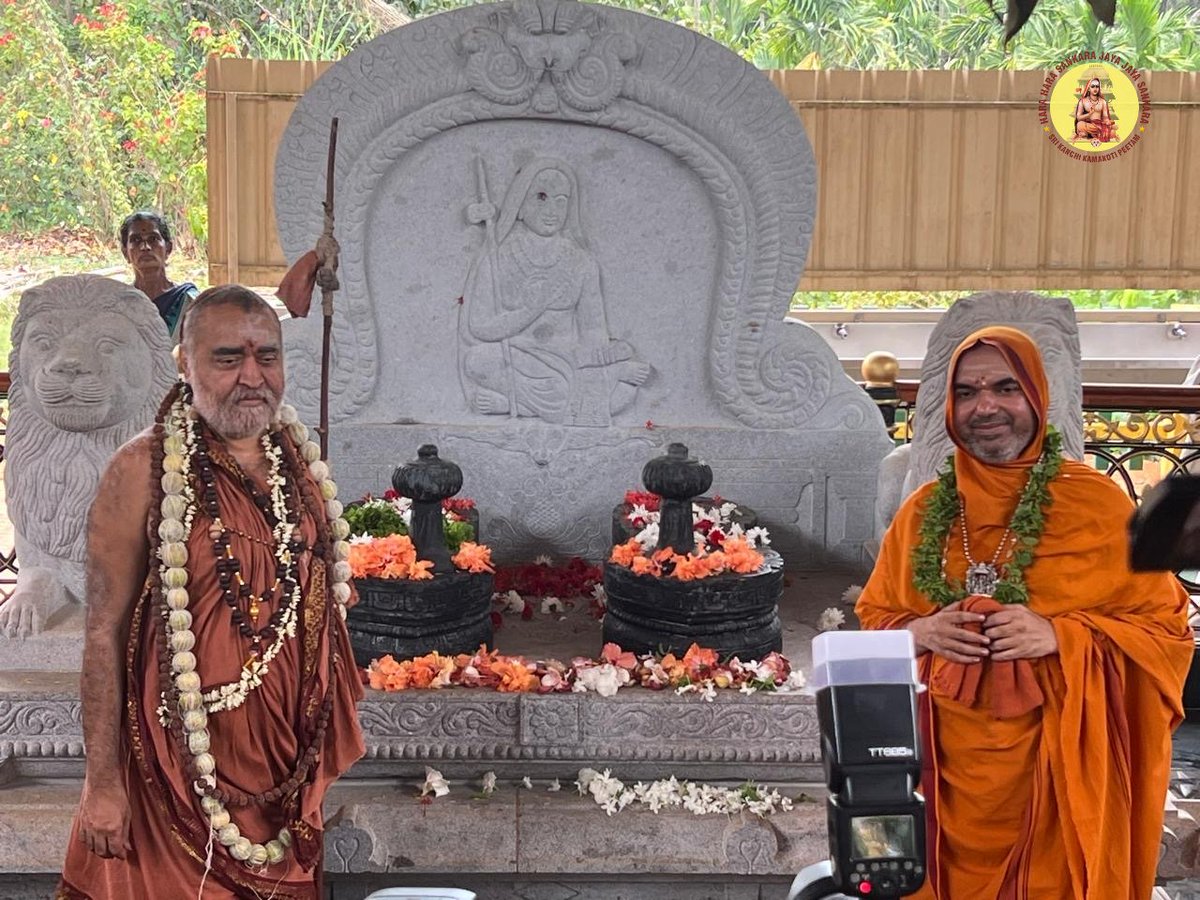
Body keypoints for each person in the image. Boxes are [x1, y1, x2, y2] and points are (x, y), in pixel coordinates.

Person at [856, 325, 1192, 899]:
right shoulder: (922, 512)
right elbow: (875, 620)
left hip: (1059, 776)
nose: (985, 406)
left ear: (1036, 396)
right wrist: (921, 630)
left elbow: (1166, 632)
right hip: (937, 778)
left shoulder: (1098, 505)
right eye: (967, 392)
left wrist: (1062, 636)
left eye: (1005, 388)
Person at [58, 285, 365, 899]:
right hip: (169, 769)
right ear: (185, 362)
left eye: (267, 356)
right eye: (228, 358)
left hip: (283, 767)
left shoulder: (298, 465)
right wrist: (103, 783)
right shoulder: (141, 470)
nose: (252, 376)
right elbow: (103, 632)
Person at [459, 158, 649, 427]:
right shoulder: (498, 258)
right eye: (541, 197)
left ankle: (514, 404)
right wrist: (530, 311)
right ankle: (528, 404)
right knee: (477, 361)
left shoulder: (581, 263)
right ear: (520, 206)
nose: (552, 210)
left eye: (561, 201)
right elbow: (479, 328)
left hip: (567, 357)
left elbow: (593, 331)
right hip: (518, 356)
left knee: (624, 393)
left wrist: (599, 361)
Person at [119, 210, 199, 341]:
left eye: (153, 239)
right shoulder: (119, 305)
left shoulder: (189, 303)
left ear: (168, 248)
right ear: (125, 253)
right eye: (136, 240)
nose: (145, 247)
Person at [1072, 77, 1118, 146]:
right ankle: (1091, 134)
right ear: (1088, 88)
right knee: (1079, 124)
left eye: (1097, 86)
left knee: (1113, 130)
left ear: (1099, 88)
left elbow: (1105, 117)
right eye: (1093, 86)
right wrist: (1089, 114)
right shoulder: (1083, 101)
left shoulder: (1103, 102)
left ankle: (1089, 134)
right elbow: (1078, 117)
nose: (1095, 88)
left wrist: (1107, 122)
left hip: (1100, 125)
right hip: (1089, 125)